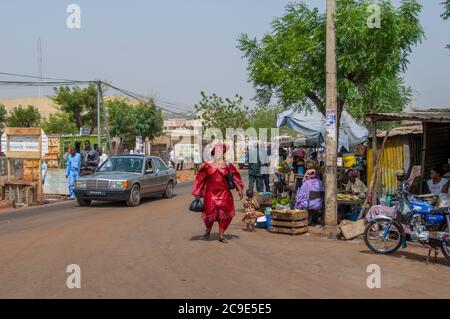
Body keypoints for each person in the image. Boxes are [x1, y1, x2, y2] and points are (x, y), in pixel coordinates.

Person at [192, 144, 244, 243]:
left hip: (225, 194)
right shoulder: (207, 166)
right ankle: (207, 231)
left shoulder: (228, 165)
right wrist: (197, 192)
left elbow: (234, 177)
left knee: (225, 215)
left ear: (223, 154)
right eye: (216, 152)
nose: (218, 154)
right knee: (209, 214)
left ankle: (221, 234)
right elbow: (200, 179)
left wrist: (239, 188)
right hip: (210, 194)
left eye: (220, 152)